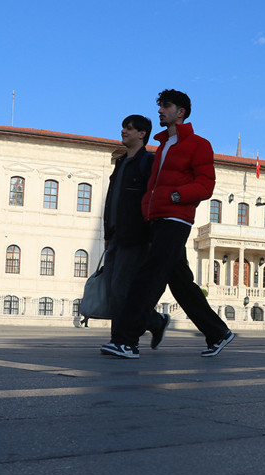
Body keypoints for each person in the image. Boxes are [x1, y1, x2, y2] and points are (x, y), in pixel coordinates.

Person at [101, 89, 234, 359]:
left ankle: (126, 341)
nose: (160, 110)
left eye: (166, 106)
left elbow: (206, 185)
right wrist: (146, 210)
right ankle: (218, 332)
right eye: (160, 106)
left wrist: (177, 196)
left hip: (175, 219)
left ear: (181, 112)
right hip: (156, 219)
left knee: (148, 278)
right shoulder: (163, 147)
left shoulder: (198, 144)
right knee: (181, 282)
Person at [102, 115, 169, 348]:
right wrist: (107, 234)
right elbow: (111, 201)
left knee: (121, 289)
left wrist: (150, 235)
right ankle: (154, 322)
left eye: (129, 128)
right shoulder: (120, 162)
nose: (123, 131)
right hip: (115, 235)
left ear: (142, 134)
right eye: (123, 127)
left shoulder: (147, 162)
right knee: (114, 290)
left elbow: (152, 199)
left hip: (134, 236)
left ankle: (122, 341)